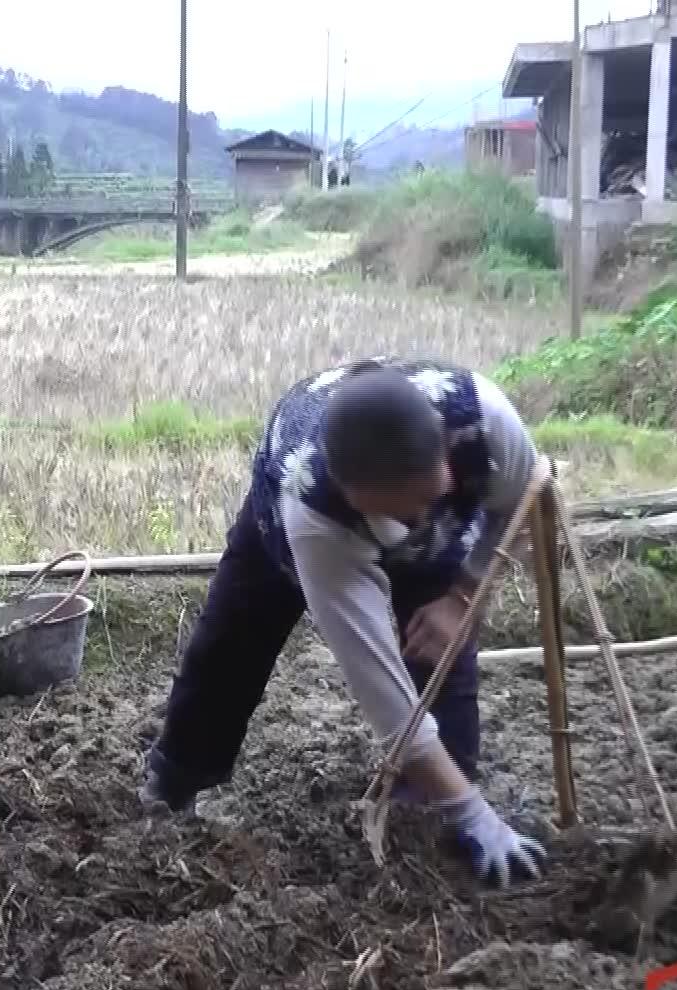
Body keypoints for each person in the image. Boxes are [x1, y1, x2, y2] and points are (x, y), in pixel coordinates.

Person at [140, 356, 548, 888]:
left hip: (441, 542)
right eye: (382, 513)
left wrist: (463, 596)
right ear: (350, 492)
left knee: (439, 668)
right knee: (229, 652)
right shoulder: (315, 513)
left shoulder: (488, 428)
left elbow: (529, 507)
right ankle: (173, 786)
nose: (399, 527)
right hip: (287, 530)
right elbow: (388, 704)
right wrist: (476, 811)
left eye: (412, 505)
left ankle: (421, 823)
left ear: (444, 466)